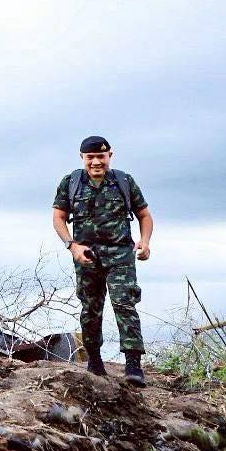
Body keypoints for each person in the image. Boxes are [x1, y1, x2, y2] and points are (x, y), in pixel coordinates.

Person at [52, 135, 153, 386]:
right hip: (87, 256)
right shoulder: (71, 183)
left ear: (110, 156)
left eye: (101, 157)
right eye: (90, 157)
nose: (96, 162)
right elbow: (58, 217)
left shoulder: (124, 181)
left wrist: (145, 241)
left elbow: (144, 214)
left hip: (120, 254)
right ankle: (94, 360)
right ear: (82, 158)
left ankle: (133, 364)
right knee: (90, 308)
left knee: (125, 304)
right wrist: (72, 246)